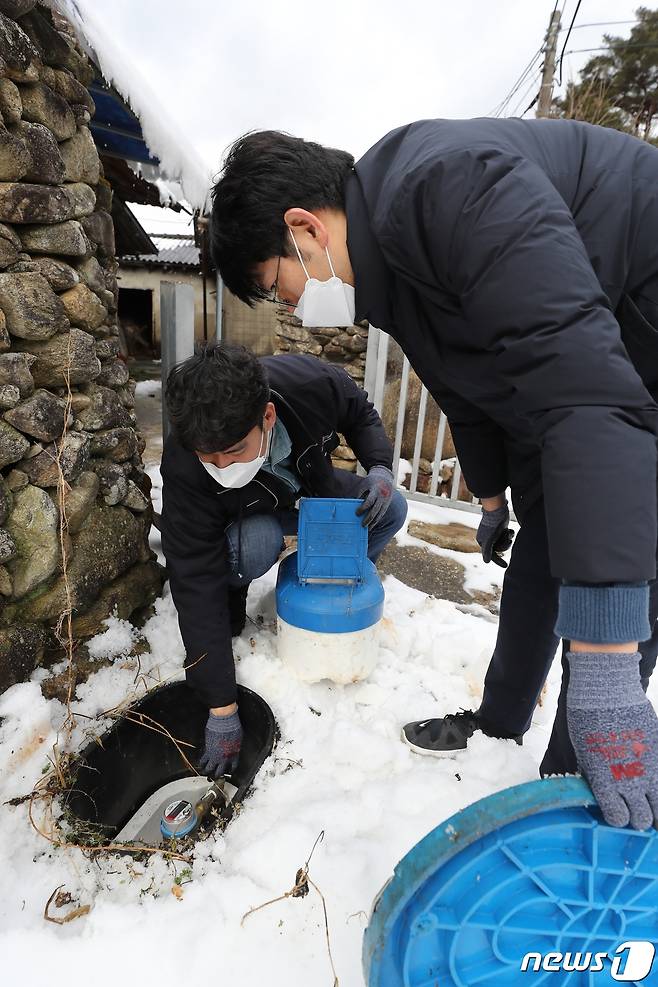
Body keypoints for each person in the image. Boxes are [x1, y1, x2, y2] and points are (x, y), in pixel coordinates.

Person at [208, 120, 658, 830]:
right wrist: (488, 491)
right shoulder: (388, 264)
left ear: (303, 227)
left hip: (638, 319)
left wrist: (606, 651)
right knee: (544, 544)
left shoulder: (450, 189)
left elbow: (584, 389)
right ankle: (500, 720)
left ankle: (573, 798)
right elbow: (464, 378)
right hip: (589, 357)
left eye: (279, 284)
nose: (291, 305)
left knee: (615, 559)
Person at [160, 343, 407, 780]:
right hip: (246, 518)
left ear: (267, 417)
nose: (221, 465)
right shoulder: (185, 460)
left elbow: (361, 414)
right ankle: (237, 591)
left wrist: (380, 468)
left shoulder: (312, 384)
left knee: (391, 509)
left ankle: (327, 576)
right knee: (258, 540)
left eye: (234, 450)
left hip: (306, 490)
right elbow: (193, 577)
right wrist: (220, 705)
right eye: (208, 456)